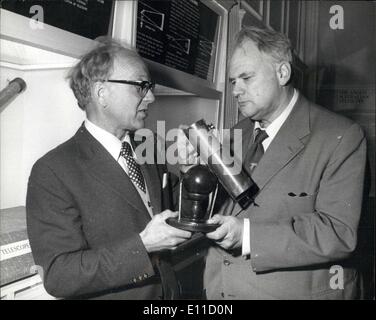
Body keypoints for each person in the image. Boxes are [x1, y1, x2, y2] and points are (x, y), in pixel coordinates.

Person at [201, 27, 367, 299]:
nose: (236, 90)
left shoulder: (341, 136)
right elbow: (222, 208)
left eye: (246, 77)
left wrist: (248, 236)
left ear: (282, 73)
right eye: (232, 81)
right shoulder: (236, 133)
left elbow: (338, 232)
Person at [26, 38, 191, 300]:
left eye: (149, 87)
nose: (151, 96)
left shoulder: (149, 148)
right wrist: (143, 246)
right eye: (140, 86)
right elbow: (59, 275)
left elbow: (174, 211)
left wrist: (189, 170)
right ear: (101, 93)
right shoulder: (52, 171)